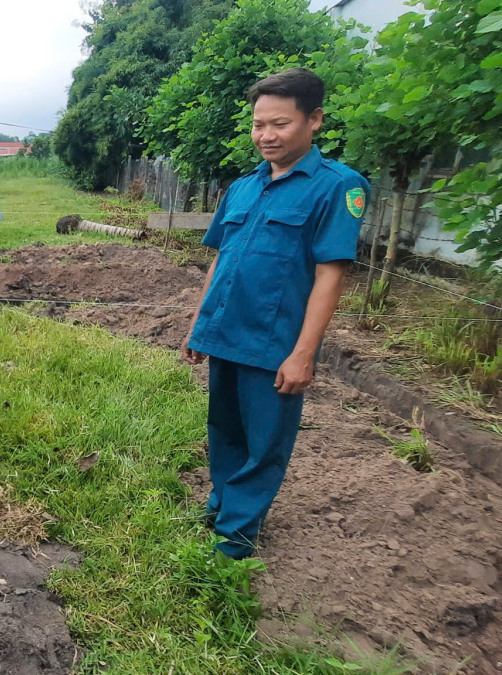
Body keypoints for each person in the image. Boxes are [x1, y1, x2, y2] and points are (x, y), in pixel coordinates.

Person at [181, 68, 368, 559]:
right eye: (259, 124)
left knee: (265, 443)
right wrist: (198, 325)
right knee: (223, 428)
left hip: (274, 342)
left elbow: (331, 274)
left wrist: (303, 353)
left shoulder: (337, 187)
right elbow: (220, 258)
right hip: (224, 330)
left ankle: (236, 536)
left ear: (315, 120)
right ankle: (221, 504)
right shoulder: (243, 187)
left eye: (279, 124)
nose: (265, 135)